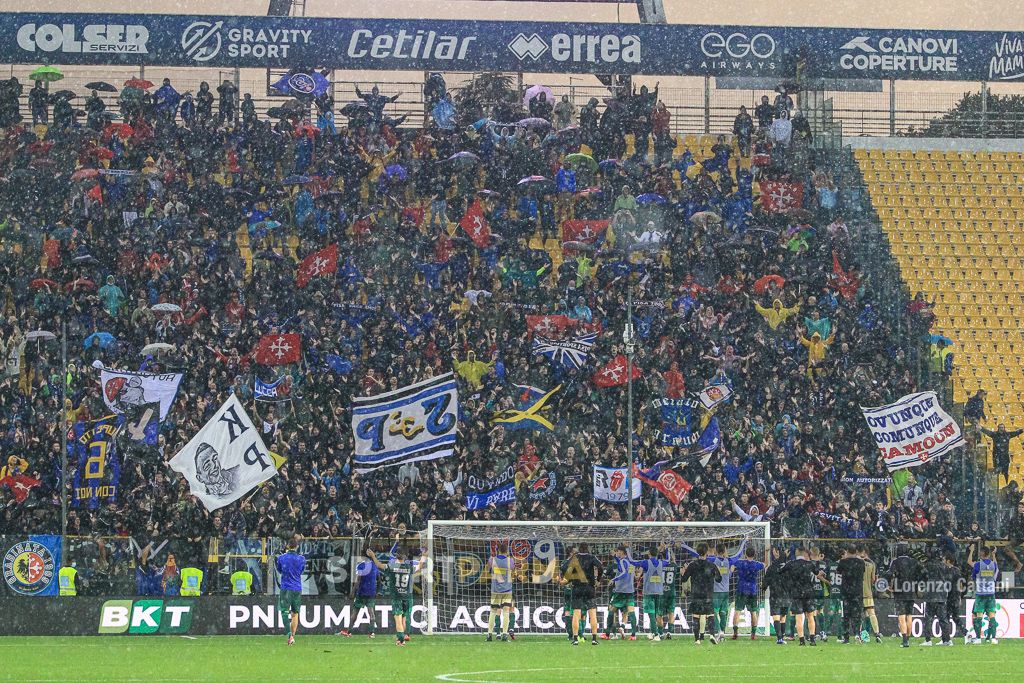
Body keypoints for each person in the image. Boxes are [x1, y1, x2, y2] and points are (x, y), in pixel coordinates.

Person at [562, 543, 602, 646]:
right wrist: (598, 580)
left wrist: (570, 578)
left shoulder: (575, 558)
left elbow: (564, 566)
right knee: (592, 613)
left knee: (576, 613)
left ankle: (575, 639)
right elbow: (600, 567)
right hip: (589, 588)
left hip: (577, 588)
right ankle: (594, 639)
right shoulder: (591, 557)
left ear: (579, 549)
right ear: (587, 549)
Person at [680, 543, 720, 645]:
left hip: (696, 593)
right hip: (708, 593)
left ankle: (697, 640)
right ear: (707, 552)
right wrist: (714, 574)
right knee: (710, 614)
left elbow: (684, 579)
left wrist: (682, 573)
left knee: (696, 616)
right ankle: (711, 635)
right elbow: (719, 579)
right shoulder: (711, 565)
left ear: (697, 552)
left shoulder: (692, 565)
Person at [338, 549, 382, 638]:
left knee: (355, 612)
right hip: (371, 592)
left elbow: (358, 580)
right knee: (371, 612)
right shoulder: (375, 565)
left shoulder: (361, 566)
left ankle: (349, 631)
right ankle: (372, 633)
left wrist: (352, 592)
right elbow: (379, 579)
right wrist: (378, 591)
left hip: (361, 592)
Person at [627, 546, 667, 641]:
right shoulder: (662, 563)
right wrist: (667, 549)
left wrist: (628, 550)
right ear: (657, 554)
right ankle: (657, 633)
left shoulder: (646, 563)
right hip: (659, 592)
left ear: (649, 554)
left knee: (651, 614)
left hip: (649, 592)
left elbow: (632, 562)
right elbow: (668, 560)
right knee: (657, 614)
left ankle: (656, 634)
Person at [782, 546, 819, 646]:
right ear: (804, 554)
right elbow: (817, 572)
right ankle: (812, 639)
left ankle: (802, 640)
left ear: (796, 553)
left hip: (796, 593)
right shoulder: (809, 564)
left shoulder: (791, 564)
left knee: (799, 617)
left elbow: (781, 572)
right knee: (810, 616)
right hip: (808, 593)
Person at [888, 542, 921, 648]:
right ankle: (908, 639)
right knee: (909, 615)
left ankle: (904, 640)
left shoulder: (895, 562)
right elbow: (920, 574)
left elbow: (890, 573)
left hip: (899, 591)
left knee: (901, 616)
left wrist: (890, 585)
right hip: (911, 591)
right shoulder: (913, 562)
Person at [603, 545, 638, 640]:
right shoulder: (631, 562)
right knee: (631, 611)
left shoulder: (623, 561)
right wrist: (614, 556)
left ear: (622, 552)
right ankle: (633, 635)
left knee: (611, 610)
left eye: (618, 551)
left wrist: (614, 579)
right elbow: (622, 565)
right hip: (630, 591)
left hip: (620, 591)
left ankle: (607, 634)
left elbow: (624, 573)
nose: (617, 552)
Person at [276, 537, 306, 646]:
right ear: (297, 546)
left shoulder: (281, 558)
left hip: (286, 587)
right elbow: (301, 571)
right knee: (295, 613)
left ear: (288, 546)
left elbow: (279, 570)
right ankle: (292, 636)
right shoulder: (302, 559)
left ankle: (289, 635)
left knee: (284, 611)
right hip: (297, 588)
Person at [731, 546, 765, 640]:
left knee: (737, 611)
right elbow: (765, 564)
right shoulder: (756, 564)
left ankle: (735, 633)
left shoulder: (741, 563)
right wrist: (766, 552)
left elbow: (732, 565)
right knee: (753, 612)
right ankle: (753, 634)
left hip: (741, 589)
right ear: (754, 555)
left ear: (746, 554)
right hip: (752, 590)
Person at [968, 545, 1000, 644]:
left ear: (981, 553)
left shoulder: (978, 564)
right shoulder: (993, 565)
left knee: (979, 616)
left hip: (980, 594)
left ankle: (978, 638)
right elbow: (996, 568)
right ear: (989, 554)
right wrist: (994, 555)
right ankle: (993, 638)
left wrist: (971, 551)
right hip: (991, 594)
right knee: (992, 616)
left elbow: (969, 563)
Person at [920, 551, 952, 647]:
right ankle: (947, 640)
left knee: (928, 619)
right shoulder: (944, 566)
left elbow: (922, 577)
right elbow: (948, 578)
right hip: (941, 595)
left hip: (931, 594)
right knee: (943, 619)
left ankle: (928, 640)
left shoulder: (927, 565)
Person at [836, 546, 865, 645]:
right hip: (857, 591)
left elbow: (838, 571)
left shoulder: (843, 562)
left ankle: (846, 638)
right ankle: (857, 634)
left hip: (846, 592)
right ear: (856, 552)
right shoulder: (861, 562)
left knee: (846, 615)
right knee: (857, 614)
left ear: (847, 552)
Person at [487, 542, 515, 642]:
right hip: (507, 589)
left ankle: (489, 635)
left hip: (495, 590)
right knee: (506, 611)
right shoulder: (510, 561)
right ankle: (504, 635)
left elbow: (490, 570)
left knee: (493, 611)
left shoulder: (492, 560)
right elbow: (512, 569)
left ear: (498, 550)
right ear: (507, 551)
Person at [764, 547, 789, 644]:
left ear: (777, 552)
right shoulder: (788, 566)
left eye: (774, 550)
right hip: (786, 595)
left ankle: (779, 638)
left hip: (775, 595)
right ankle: (782, 637)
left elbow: (766, 582)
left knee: (776, 617)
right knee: (783, 617)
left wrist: (764, 587)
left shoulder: (772, 567)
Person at [858, 546, 882, 643]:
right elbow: (873, 580)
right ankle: (877, 633)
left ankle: (861, 635)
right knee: (871, 613)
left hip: (858, 592)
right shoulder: (872, 563)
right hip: (868, 592)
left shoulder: (856, 562)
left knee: (860, 615)